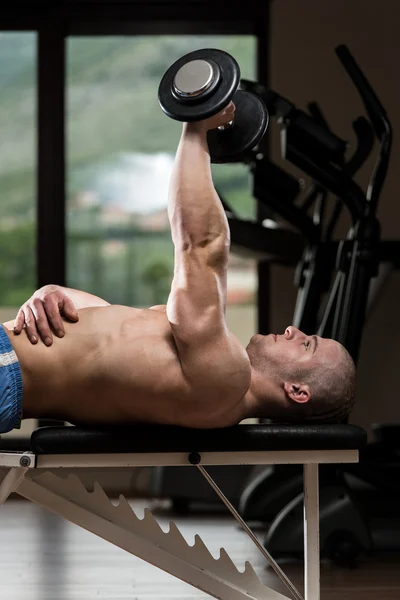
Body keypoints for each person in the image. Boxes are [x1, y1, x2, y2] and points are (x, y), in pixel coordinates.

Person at [0, 103, 356, 435]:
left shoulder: (224, 382)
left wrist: (196, 125)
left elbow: (202, 246)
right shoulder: (208, 365)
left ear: (297, 391)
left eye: (307, 345)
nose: (294, 330)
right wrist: (50, 293)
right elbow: (106, 327)